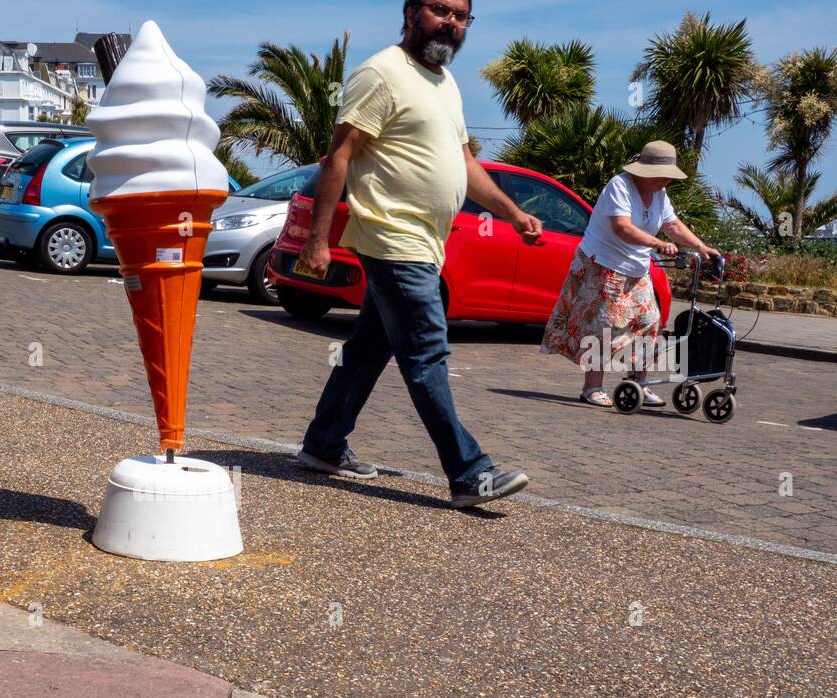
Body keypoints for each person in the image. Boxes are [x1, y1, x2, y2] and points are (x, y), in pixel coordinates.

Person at [296, 0, 540, 508]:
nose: (451, 23)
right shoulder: (381, 73)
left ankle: (323, 444)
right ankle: (469, 473)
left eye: (461, 16)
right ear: (411, 12)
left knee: (368, 349)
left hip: (427, 242)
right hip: (393, 237)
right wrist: (317, 239)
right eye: (440, 10)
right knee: (426, 352)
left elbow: (465, 163)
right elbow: (339, 155)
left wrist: (513, 213)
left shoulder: (445, 83)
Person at [540, 140, 721, 407]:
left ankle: (637, 384)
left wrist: (701, 247)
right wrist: (657, 244)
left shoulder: (659, 193)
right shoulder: (620, 186)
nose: (666, 181)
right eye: (662, 176)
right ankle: (592, 388)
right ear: (646, 172)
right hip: (604, 264)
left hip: (636, 267)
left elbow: (672, 225)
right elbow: (622, 228)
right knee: (604, 326)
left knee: (650, 321)